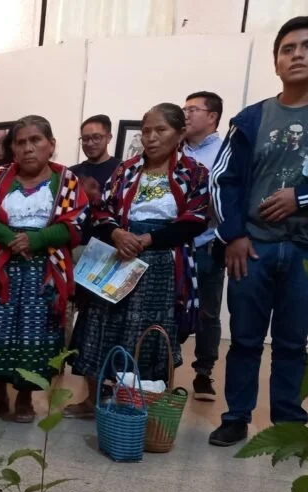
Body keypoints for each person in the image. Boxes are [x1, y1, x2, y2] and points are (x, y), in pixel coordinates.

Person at [209, 16, 308, 447]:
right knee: (245, 340)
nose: (297, 55)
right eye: (287, 49)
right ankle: (236, 415)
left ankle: (288, 422)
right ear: (276, 62)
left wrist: (303, 197)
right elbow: (222, 179)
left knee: (294, 343)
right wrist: (234, 235)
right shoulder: (251, 118)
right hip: (251, 248)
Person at [67, 103, 209, 418]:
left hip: (161, 262)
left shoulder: (194, 172)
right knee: (100, 325)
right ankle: (92, 401)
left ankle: (140, 405)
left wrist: (148, 240)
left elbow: (195, 219)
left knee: (149, 332)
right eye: (146, 131)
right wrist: (117, 234)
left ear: (180, 133)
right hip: (119, 254)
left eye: (161, 130)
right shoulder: (126, 170)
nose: (151, 138)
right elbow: (102, 209)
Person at [0, 115, 88, 421]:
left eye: (36, 140)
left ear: (51, 145)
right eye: (21, 142)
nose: (28, 148)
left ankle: (25, 398)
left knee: (34, 337)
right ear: (13, 148)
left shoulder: (66, 180)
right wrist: (11, 238)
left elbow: (74, 224)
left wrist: (36, 239)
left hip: (42, 273)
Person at [182, 90, 224, 401]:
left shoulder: (226, 153)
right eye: (184, 109)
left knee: (208, 312)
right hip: (174, 243)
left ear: (212, 116)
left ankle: (203, 372)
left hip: (208, 244)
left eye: (193, 109)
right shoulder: (175, 152)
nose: (185, 114)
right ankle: (161, 364)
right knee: (168, 306)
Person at [70, 115, 120, 190]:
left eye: (96, 137)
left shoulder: (122, 170)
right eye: (85, 139)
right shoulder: (71, 173)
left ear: (109, 138)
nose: (90, 143)